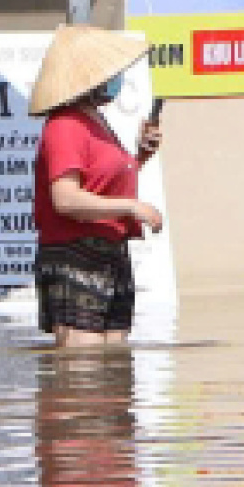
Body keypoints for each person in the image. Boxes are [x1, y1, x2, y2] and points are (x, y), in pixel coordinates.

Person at [30, 25, 165, 346]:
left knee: (114, 372)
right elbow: (66, 199)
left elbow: (102, 182)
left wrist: (141, 155)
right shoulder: (65, 124)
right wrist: (132, 206)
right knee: (82, 374)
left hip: (111, 254)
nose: (116, 77)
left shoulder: (95, 121)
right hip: (76, 255)